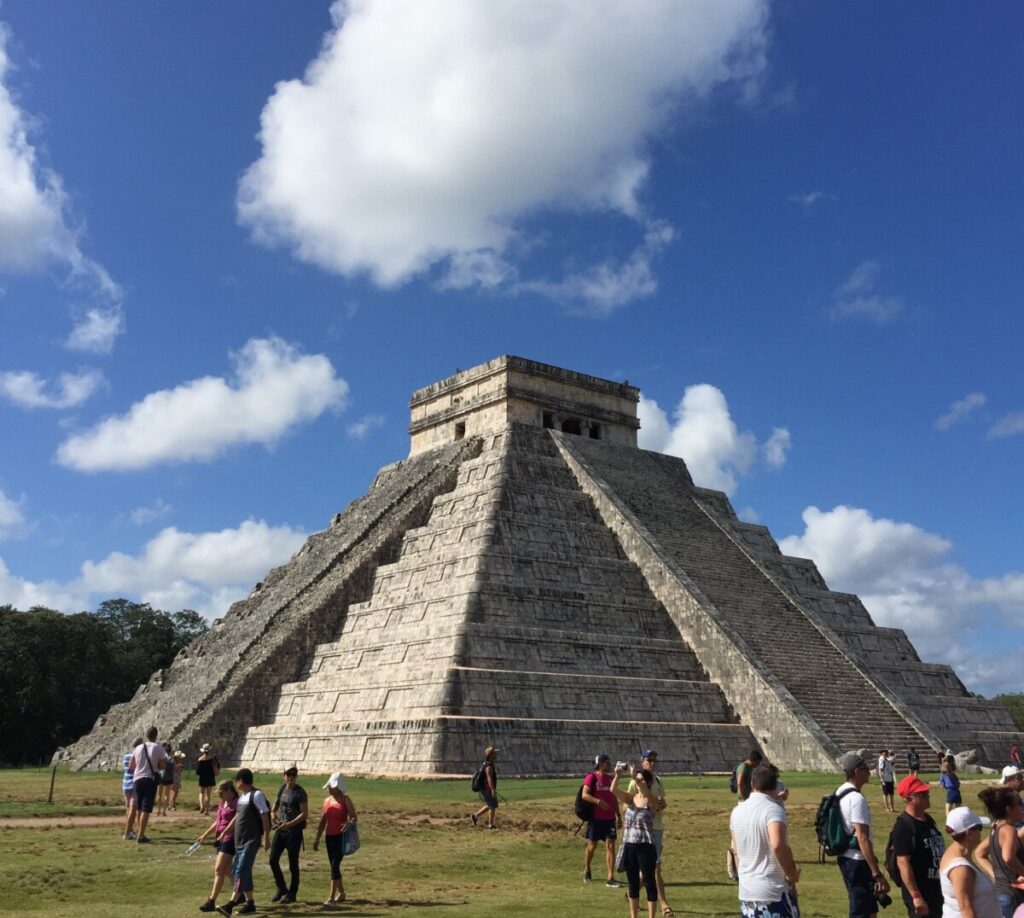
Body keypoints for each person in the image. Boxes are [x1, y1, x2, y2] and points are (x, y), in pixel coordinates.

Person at [729, 763, 800, 918]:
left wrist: (744, 875)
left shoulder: (737, 811)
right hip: (773, 890)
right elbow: (778, 845)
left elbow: (736, 851)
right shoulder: (773, 810)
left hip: (747, 890)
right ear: (775, 786)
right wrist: (792, 874)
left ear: (752, 784)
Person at [835, 752, 890, 918]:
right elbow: (862, 837)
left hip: (846, 856)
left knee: (869, 910)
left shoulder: (840, 792)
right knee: (860, 911)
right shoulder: (856, 799)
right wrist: (876, 872)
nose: (869, 772)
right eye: (866, 769)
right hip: (857, 861)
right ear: (857, 772)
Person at [216, 768, 271, 916]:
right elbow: (237, 818)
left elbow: (265, 815)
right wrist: (225, 831)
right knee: (242, 871)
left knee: (240, 871)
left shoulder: (257, 795)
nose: (236, 783)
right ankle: (250, 903)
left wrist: (266, 836)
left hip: (251, 841)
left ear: (241, 781)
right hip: (239, 841)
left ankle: (230, 904)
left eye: (237, 780)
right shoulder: (242, 797)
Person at [610, 763, 662, 918]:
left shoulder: (652, 800)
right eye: (637, 780)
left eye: (642, 780)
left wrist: (635, 777)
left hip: (646, 846)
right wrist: (618, 775)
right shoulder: (630, 799)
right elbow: (613, 790)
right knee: (632, 883)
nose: (638, 782)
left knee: (649, 882)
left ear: (649, 783)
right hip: (630, 845)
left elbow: (647, 794)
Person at [891, 775, 944, 917]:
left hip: (937, 890)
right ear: (909, 799)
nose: (927, 796)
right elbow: (903, 863)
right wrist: (916, 896)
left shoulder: (928, 820)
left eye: (927, 793)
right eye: (922, 794)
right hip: (921, 892)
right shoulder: (903, 826)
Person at [628, 750, 673, 917]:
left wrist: (660, 804)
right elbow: (628, 804)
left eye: (654, 760)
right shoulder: (635, 781)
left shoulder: (659, 781)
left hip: (657, 827)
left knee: (650, 868)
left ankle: (632, 894)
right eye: (649, 760)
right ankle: (664, 904)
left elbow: (663, 802)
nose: (652, 763)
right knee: (655, 868)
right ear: (642, 761)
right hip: (643, 830)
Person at [939, 806, 1000, 918]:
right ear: (969, 833)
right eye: (979, 828)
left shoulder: (958, 854)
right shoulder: (960, 869)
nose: (981, 832)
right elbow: (967, 910)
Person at [977, 786, 1024, 918]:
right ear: (1009, 809)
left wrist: (996, 875)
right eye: (1019, 803)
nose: (1022, 807)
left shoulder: (996, 827)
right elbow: (1008, 857)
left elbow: (979, 853)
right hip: (1012, 895)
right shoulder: (1009, 830)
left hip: (1001, 892)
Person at [313, 772, 358, 907]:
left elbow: (354, 817)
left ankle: (332, 897)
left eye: (331, 786)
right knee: (334, 867)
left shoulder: (346, 800)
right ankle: (342, 893)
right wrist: (317, 838)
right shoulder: (327, 801)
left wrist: (349, 822)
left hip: (341, 838)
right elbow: (323, 821)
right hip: (329, 838)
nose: (329, 789)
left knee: (334, 866)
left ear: (337, 787)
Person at [196, 780, 239, 913]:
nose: (219, 796)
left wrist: (226, 832)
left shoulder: (237, 803)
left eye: (221, 793)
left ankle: (211, 900)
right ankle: (240, 892)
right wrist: (205, 835)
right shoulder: (222, 803)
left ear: (229, 790)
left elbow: (236, 821)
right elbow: (217, 822)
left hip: (230, 838)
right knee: (227, 871)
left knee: (219, 869)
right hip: (220, 838)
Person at [269, 765, 308, 904]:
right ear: (284, 775)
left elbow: (304, 814)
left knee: (293, 864)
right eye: (288, 774)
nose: (291, 777)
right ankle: (281, 888)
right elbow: (274, 807)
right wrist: (273, 815)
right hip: (281, 829)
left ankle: (292, 893)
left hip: (294, 832)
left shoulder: (300, 792)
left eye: (293, 775)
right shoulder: (282, 788)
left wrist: (290, 824)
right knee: (273, 860)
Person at [581, 753, 621, 887]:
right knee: (592, 846)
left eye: (608, 761)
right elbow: (584, 795)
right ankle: (587, 868)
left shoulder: (611, 779)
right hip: (596, 818)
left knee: (610, 845)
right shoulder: (591, 777)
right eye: (605, 762)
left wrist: (618, 815)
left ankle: (610, 877)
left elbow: (614, 798)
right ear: (599, 764)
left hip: (609, 818)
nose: (608, 764)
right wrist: (598, 802)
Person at [125, 726, 167, 844]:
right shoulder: (159, 748)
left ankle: (139, 831)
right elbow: (163, 766)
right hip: (150, 779)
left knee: (139, 807)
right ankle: (141, 834)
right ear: (156, 735)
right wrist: (155, 766)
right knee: (146, 809)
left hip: (137, 779)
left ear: (146, 735)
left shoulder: (138, 748)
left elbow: (132, 765)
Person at [471, 746, 499, 830]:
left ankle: (475, 816)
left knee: (490, 805)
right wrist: (492, 790)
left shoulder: (487, 764)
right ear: (491, 755)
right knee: (492, 806)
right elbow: (489, 778)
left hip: (486, 788)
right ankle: (490, 825)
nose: (496, 755)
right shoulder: (489, 766)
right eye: (494, 753)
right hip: (487, 788)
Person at [120, 736, 142, 839]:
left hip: (125, 783)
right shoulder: (137, 757)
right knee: (133, 809)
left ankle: (131, 830)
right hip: (134, 784)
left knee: (128, 808)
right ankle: (127, 832)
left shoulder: (126, 756)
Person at [196, 743, 220, 815]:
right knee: (208, 794)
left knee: (201, 793)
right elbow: (217, 766)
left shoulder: (200, 759)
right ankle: (206, 811)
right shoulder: (212, 758)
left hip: (202, 777)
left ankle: (201, 806)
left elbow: (198, 772)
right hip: (210, 777)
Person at [156, 742, 175, 816]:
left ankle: (158, 810)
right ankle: (164, 811)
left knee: (159, 794)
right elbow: (173, 769)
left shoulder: (162, 757)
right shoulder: (172, 758)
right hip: (169, 777)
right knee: (166, 795)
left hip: (161, 776)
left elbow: (158, 766)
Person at [879, 750, 896, 814]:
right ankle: (887, 808)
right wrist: (882, 780)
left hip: (890, 779)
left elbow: (892, 768)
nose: (885, 755)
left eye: (886, 754)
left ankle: (892, 807)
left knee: (891, 794)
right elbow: (880, 771)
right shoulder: (881, 761)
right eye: (884, 754)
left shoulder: (888, 761)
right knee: (885, 794)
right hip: (885, 779)